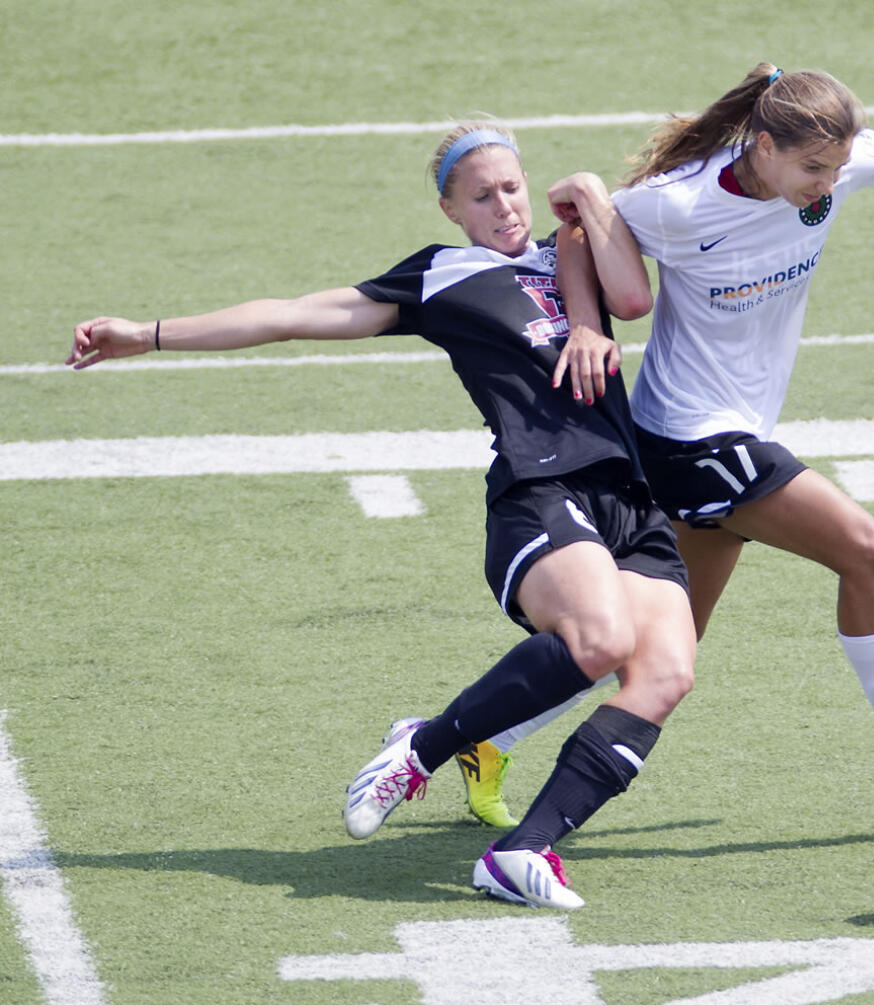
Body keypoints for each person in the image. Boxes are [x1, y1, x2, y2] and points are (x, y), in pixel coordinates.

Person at [66, 123, 697, 910]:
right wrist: (149, 336)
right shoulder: (440, 277)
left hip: (629, 495)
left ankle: (523, 851)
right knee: (597, 641)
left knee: (665, 674)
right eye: (481, 195)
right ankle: (423, 747)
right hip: (541, 486)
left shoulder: (570, 249)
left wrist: (593, 203)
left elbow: (632, 296)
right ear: (448, 210)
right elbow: (290, 314)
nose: (504, 206)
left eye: (511, 187)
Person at [470, 64, 874, 801]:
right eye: (812, 169)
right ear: (762, 146)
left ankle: (484, 738)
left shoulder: (832, 164)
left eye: (836, 169)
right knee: (867, 552)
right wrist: (584, 324)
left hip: (724, 433)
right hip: (688, 438)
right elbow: (577, 230)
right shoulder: (680, 203)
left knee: (659, 651)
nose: (827, 186)